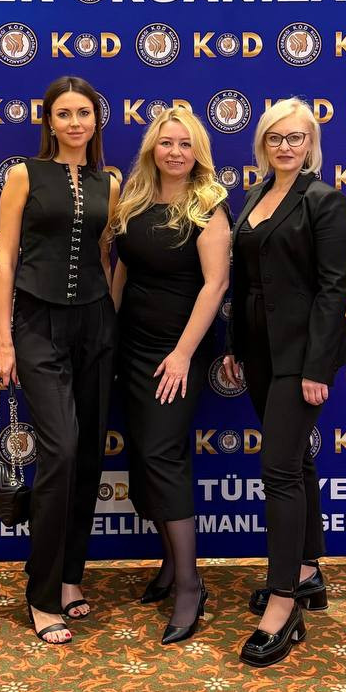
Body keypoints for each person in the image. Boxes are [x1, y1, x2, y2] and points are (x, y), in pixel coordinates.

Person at [223, 98, 346, 667]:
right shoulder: (254, 195)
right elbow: (245, 279)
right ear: (262, 143)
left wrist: (315, 368)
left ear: (311, 144)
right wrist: (234, 345)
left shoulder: (324, 200)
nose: (285, 146)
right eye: (275, 137)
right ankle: (305, 571)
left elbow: (333, 289)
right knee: (297, 462)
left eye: (295, 137)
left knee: (278, 471)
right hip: (258, 349)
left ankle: (284, 605)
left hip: (301, 354)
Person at [0, 76, 118, 645]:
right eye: (64, 113)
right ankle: (42, 596)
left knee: (88, 453)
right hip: (37, 324)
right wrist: (4, 341)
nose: (74, 122)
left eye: (83, 113)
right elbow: (6, 258)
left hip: (95, 324)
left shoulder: (109, 182)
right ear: (49, 121)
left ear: (96, 121)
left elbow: (104, 258)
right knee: (61, 451)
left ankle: (70, 577)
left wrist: (111, 320)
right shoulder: (24, 174)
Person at [112, 109, 230, 643]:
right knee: (144, 454)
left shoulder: (208, 205)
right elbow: (123, 268)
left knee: (162, 455)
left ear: (197, 151)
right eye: (166, 143)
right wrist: (109, 332)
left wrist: (183, 354)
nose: (175, 152)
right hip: (132, 346)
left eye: (185, 144)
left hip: (177, 350)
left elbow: (215, 285)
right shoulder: (134, 199)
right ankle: (168, 564)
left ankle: (189, 585)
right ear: (152, 150)